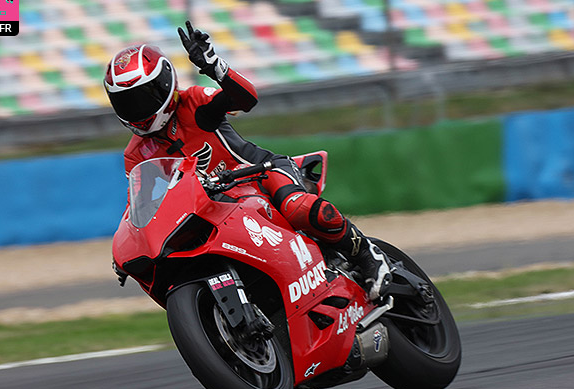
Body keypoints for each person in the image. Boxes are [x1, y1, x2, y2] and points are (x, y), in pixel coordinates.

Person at [104, 21, 391, 300]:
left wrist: (214, 66)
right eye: (126, 102)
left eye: (141, 99)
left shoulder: (193, 103)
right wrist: (126, 249)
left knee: (298, 209)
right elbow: (138, 206)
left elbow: (246, 99)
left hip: (260, 174)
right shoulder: (136, 153)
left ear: (165, 84)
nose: (136, 110)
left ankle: (367, 255)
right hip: (215, 207)